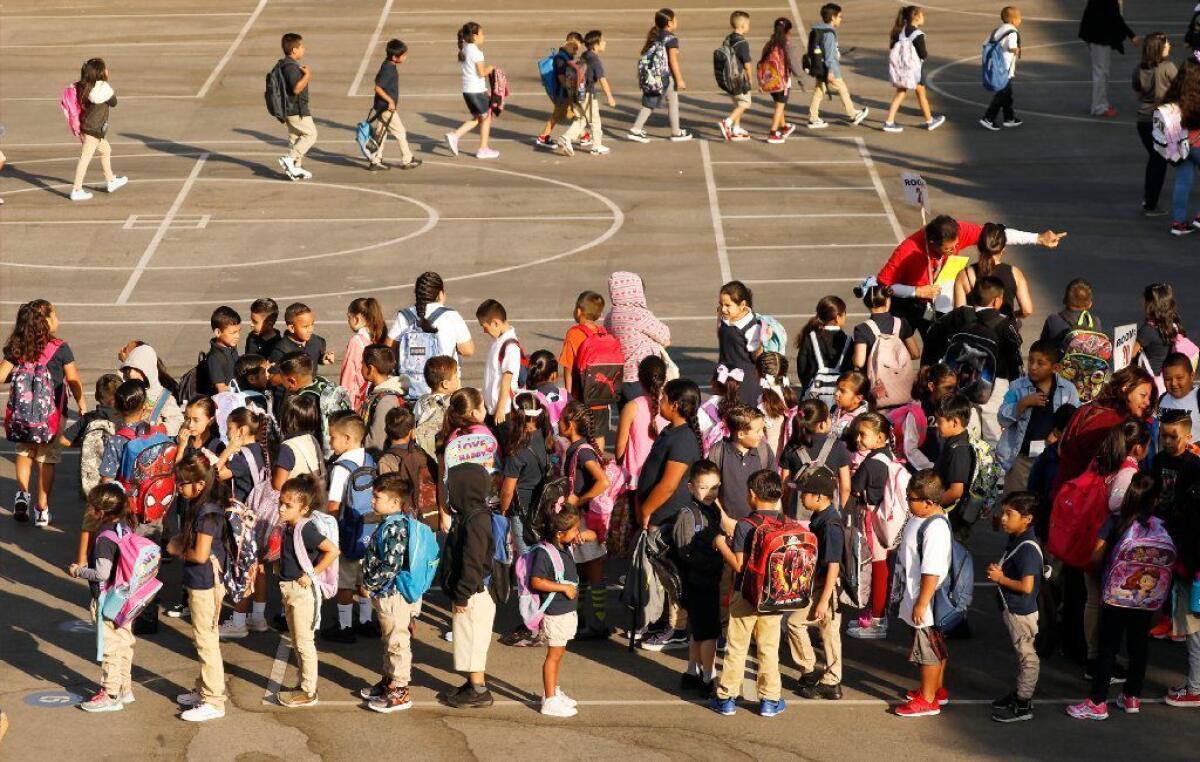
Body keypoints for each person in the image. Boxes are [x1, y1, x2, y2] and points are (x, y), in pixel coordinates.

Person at [1068, 473, 1163, 720]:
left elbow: (1098, 556)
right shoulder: (1159, 526)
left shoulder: (1116, 521)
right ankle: (1132, 695)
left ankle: (1098, 700)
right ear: (1156, 500)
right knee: (1138, 645)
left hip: (1118, 596)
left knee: (1108, 646)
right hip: (1146, 598)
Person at [877, 215, 1066, 336]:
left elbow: (995, 235)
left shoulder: (959, 230)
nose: (953, 250)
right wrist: (916, 291)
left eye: (956, 245)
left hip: (938, 302)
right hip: (908, 303)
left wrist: (1037, 238)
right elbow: (884, 286)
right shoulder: (907, 250)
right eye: (947, 248)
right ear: (932, 242)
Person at [710, 469, 788, 718]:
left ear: (752, 495)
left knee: (736, 646)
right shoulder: (784, 522)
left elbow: (739, 565)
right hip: (773, 598)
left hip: (745, 595)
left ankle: (727, 698)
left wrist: (721, 544)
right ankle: (770, 699)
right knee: (768, 647)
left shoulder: (745, 525)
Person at [1, 299, 85, 526]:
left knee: (24, 452)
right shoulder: (60, 348)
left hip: (23, 414)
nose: (57, 319)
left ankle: (21, 494)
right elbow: (74, 379)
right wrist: (83, 405)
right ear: (44, 321)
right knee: (47, 459)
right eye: (54, 315)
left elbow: (1, 376)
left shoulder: (17, 347)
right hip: (52, 415)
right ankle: (42, 507)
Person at [168, 454, 235, 722]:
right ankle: (203, 689)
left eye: (182, 483)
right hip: (203, 582)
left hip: (205, 584)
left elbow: (200, 554)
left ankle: (214, 700)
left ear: (198, 484)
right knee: (204, 637)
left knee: (206, 641)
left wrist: (175, 548)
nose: (178, 488)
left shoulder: (206, 513)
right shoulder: (204, 505)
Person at [69, 483, 138, 712]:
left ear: (100, 511)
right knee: (125, 642)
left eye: (91, 505)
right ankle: (125, 688)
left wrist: (78, 571)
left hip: (108, 599)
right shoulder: (125, 527)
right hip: (127, 595)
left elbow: (101, 573)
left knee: (110, 646)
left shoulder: (104, 538)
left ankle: (109, 693)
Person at [275, 474, 340, 708]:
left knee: (304, 643)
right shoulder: (290, 526)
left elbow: (332, 551)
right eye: (280, 503)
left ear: (304, 508)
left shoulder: (305, 529)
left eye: (288, 505)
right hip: (290, 590)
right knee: (297, 640)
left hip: (302, 592)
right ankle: (303, 685)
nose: (281, 509)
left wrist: (311, 574)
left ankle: (309, 691)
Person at [358, 472, 419, 713]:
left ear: (395, 502)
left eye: (377, 497)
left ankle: (401, 689)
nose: (373, 501)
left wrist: (369, 583)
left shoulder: (394, 528)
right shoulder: (389, 523)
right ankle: (389, 680)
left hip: (393, 594)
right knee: (388, 638)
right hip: (386, 594)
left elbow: (391, 565)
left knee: (397, 641)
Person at [438, 462, 497, 709]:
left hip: (473, 593)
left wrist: (461, 595)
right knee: (466, 639)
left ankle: (478, 689)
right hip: (469, 590)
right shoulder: (471, 514)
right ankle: (472, 683)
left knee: (472, 640)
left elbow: (472, 562)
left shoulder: (476, 521)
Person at [894, 470, 952, 717]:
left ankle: (928, 700)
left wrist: (921, 603)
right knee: (935, 645)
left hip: (925, 599)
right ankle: (935, 689)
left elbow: (932, 570)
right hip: (917, 594)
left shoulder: (935, 528)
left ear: (929, 502)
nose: (908, 502)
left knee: (926, 648)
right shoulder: (923, 518)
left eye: (911, 498)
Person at [787, 469, 844, 700]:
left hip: (826, 588)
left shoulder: (830, 525)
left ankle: (817, 674)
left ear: (820, 496)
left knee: (802, 625)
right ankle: (829, 679)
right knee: (828, 633)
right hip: (820, 586)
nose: (801, 497)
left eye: (805, 493)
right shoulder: (821, 517)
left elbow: (834, 564)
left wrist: (823, 600)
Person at [986, 491, 1043, 722]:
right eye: (1003, 513)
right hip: (1013, 609)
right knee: (1022, 654)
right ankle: (1019, 693)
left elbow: (1027, 586)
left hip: (1020, 611)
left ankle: (1023, 703)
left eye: (1009, 514)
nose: (1003, 518)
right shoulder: (1017, 539)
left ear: (1027, 518)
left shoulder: (1027, 548)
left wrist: (1001, 579)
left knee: (1027, 658)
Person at [558, 401, 612, 640]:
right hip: (581, 519)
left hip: (586, 520)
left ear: (570, 424)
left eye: (561, 419)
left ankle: (596, 624)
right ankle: (583, 622)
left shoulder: (583, 452)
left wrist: (578, 500)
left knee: (592, 572)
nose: (557, 422)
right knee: (582, 572)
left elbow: (603, 481)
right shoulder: (577, 448)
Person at [997, 340, 1080, 493]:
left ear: (1055, 368)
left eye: (1041, 363)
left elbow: (1075, 421)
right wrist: (1022, 404)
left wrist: (1058, 434)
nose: (1033, 367)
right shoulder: (1017, 387)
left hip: (1051, 459)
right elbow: (1002, 417)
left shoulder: (1068, 390)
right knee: (1015, 502)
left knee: (1042, 502)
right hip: (1021, 459)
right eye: (1031, 361)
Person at [847, 411, 901, 640]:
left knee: (877, 569)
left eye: (863, 434)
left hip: (871, 518)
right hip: (885, 517)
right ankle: (875, 614)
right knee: (881, 568)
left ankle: (876, 621)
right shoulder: (888, 456)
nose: (858, 439)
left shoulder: (870, 464)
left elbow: (855, 489)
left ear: (880, 438)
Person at [675, 460, 726, 696]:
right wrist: (712, 561)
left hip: (705, 579)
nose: (710, 493)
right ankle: (708, 677)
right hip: (698, 580)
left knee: (699, 630)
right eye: (704, 487)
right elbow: (683, 550)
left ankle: (692, 671)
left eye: (714, 487)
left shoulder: (713, 510)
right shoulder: (688, 514)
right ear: (690, 487)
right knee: (709, 633)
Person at [323, 415, 376, 643]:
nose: (329, 440)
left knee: (345, 582)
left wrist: (332, 536)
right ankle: (366, 620)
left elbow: (334, 505)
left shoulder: (342, 467)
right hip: (370, 528)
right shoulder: (369, 459)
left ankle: (345, 626)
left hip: (348, 531)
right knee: (364, 579)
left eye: (333, 437)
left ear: (347, 438)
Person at [531, 508, 584, 718]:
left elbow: (590, 536)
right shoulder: (545, 553)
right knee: (553, 656)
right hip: (556, 612)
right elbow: (536, 581)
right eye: (574, 530)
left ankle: (552, 690)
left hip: (565, 611)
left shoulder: (563, 545)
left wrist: (583, 535)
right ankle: (550, 700)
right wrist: (562, 588)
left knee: (558, 653)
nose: (577, 533)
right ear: (559, 534)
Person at [387, 271, 475, 393]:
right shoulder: (451, 316)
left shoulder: (405, 316)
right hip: (443, 388)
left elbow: (388, 348)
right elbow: (468, 350)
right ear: (441, 294)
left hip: (410, 388)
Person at [638, 378, 704, 529]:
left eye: (663, 398)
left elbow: (668, 485)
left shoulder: (683, 439)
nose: (660, 401)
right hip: (653, 514)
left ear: (674, 405)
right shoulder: (671, 430)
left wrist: (645, 510)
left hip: (663, 519)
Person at [605, 271, 671, 403]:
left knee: (627, 417)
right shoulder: (638, 315)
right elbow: (665, 336)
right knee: (644, 415)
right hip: (640, 377)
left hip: (620, 378)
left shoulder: (610, 317)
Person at [628, 8, 693, 143]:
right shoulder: (671, 39)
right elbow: (673, 61)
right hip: (664, 76)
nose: (677, 21)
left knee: (670, 101)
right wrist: (679, 79)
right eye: (675, 19)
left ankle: (676, 131)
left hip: (655, 75)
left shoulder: (656, 35)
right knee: (651, 104)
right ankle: (636, 129)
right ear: (669, 23)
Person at [559, 290, 613, 449]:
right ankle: (600, 463)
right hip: (601, 396)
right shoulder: (603, 333)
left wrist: (569, 396)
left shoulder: (574, 333)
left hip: (581, 395)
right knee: (599, 434)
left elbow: (568, 367)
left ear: (578, 311)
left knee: (578, 434)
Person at [779, 399, 852, 517]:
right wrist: (840, 511)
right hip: (828, 515)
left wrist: (787, 510)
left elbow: (785, 483)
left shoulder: (792, 446)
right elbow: (846, 487)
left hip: (798, 514)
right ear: (822, 424)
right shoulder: (837, 446)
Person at [69, 58, 127, 201]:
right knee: (85, 158)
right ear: (101, 73)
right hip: (92, 131)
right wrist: (106, 84)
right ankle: (76, 189)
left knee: (106, 150)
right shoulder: (103, 89)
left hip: (88, 127)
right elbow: (114, 102)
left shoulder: (86, 87)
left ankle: (111, 180)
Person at [951, 223, 1034, 319]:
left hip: (976, 331)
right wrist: (1011, 317)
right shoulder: (1015, 273)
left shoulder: (964, 275)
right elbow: (1027, 310)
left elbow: (958, 314)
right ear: (1003, 248)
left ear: (979, 246)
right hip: (1004, 331)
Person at [1133, 33, 1176, 216]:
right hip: (1162, 119)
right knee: (1161, 162)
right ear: (1159, 47)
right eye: (1166, 43)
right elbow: (1180, 88)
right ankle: (1151, 204)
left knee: (1154, 159)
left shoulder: (1139, 68)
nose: (1169, 44)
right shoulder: (1168, 67)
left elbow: (1137, 92)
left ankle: (1149, 200)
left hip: (1143, 120)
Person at [882, 6, 945, 133]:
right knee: (921, 94)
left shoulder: (900, 31)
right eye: (922, 15)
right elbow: (923, 54)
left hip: (901, 69)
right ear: (915, 17)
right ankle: (930, 121)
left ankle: (889, 121)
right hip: (914, 70)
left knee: (900, 93)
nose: (923, 17)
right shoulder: (918, 34)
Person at [807, 3, 868, 130]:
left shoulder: (818, 29)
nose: (841, 19)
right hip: (830, 68)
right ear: (833, 17)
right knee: (842, 89)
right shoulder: (829, 33)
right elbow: (829, 54)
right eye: (839, 16)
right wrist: (830, 71)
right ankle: (852, 114)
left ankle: (813, 117)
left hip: (819, 66)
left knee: (819, 91)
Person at [615, 355, 668, 495]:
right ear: (664, 377)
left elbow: (620, 446)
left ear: (639, 377)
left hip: (635, 476)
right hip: (662, 473)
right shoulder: (670, 405)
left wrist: (620, 468)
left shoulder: (631, 407)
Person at [445, 22, 498, 160]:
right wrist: (491, 68)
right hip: (476, 91)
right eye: (482, 33)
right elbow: (481, 73)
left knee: (479, 118)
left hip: (468, 90)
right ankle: (482, 149)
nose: (483, 36)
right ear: (475, 36)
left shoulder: (465, 48)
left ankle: (455, 136)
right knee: (486, 118)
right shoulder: (477, 53)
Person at [1078, 0, 1140, 117]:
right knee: (1101, 71)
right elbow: (1115, 16)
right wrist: (1132, 35)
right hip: (1099, 34)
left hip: (1095, 32)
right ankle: (1099, 107)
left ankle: (1101, 103)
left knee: (1101, 70)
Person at [368, 39, 421, 171]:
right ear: (394, 57)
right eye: (403, 55)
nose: (405, 57)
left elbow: (377, 80)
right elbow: (378, 87)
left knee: (381, 134)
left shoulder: (387, 65)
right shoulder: (388, 69)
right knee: (400, 132)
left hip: (381, 107)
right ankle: (407, 160)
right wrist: (390, 101)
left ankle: (375, 160)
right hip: (386, 108)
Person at [850, 279, 920, 372]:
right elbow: (915, 354)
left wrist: (853, 357)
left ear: (866, 303)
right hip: (899, 380)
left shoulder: (862, 329)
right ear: (887, 300)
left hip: (874, 382)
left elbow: (859, 362)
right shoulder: (902, 323)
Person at [534, 32, 585, 150]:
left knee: (573, 113)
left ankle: (583, 135)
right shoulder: (561, 58)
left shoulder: (566, 56)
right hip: (563, 93)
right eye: (576, 46)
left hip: (565, 92)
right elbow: (561, 77)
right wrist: (571, 90)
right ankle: (543, 137)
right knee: (558, 115)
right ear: (570, 41)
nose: (577, 50)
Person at [716, 281, 763, 407]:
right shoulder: (724, 318)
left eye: (727, 305)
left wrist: (762, 342)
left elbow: (757, 357)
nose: (723, 309)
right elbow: (722, 337)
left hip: (745, 382)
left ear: (742, 305)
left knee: (742, 413)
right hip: (725, 375)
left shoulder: (752, 328)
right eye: (721, 304)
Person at [120, 343, 183, 435]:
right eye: (129, 369)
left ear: (148, 370)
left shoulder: (163, 396)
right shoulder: (126, 392)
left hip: (153, 444)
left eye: (137, 370)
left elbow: (177, 420)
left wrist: (162, 429)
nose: (131, 374)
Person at [277, 33, 316, 180]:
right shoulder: (291, 67)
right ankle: (290, 159)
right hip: (297, 110)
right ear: (294, 50)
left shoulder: (285, 64)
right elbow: (296, 89)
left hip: (290, 110)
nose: (303, 49)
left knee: (295, 138)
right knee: (311, 134)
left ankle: (296, 168)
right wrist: (307, 75)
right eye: (301, 47)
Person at [796, 295, 850, 402]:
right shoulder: (848, 340)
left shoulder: (810, 337)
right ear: (838, 317)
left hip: (815, 393)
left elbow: (802, 367)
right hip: (839, 396)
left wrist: (808, 385)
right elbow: (850, 370)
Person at [476, 299, 521, 425]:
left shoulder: (510, 346)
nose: (484, 331)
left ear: (495, 323)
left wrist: (501, 409)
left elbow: (507, 378)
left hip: (503, 412)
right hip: (493, 409)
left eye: (485, 327)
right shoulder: (499, 341)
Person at [340, 297, 387, 412]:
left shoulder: (356, 341)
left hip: (357, 400)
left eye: (349, 317)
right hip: (373, 395)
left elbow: (349, 375)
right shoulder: (377, 338)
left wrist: (343, 403)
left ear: (357, 319)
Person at [980, 7, 1023, 131]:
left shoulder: (997, 30)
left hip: (996, 66)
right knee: (1002, 94)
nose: (1020, 20)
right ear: (1014, 20)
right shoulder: (1012, 32)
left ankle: (1009, 118)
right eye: (1019, 17)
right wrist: (1017, 50)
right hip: (1004, 68)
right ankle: (988, 118)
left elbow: (985, 43)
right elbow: (1011, 47)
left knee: (1007, 95)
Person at [1135, 283, 1191, 376]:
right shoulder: (1173, 326)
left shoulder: (1147, 331)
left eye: (1144, 300)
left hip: (1149, 380)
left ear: (1150, 304)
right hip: (1165, 378)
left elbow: (1128, 356)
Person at [717, 10, 755, 141]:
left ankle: (736, 128)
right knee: (745, 102)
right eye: (748, 24)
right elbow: (747, 64)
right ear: (742, 25)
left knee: (737, 104)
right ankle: (727, 123)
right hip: (738, 78)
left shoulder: (728, 39)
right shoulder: (742, 43)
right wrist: (750, 78)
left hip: (727, 77)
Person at [361, 344, 407, 453]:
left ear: (371, 369)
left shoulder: (386, 400)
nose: (360, 367)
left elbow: (376, 443)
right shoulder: (377, 392)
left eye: (362, 363)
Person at [759, 17, 797, 144]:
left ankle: (784, 127)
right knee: (780, 107)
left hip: (771, 81)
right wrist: (802, 78)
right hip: (783, 82)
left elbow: (762, 62)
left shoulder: (769, 44)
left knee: (778, 105)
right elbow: (793, 64)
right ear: (787, 32)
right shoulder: (786, 45)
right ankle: (773, 133)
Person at [755, 352, 798, 456]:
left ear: (760, 373)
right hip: (788, 458)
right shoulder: (788, 395)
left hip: (771, 458)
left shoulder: (765, 402)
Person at [269, 302, 332, 371]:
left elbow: (316, 357)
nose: (311, 329)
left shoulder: (315, 341)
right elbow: (272, 376)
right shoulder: (281, 350)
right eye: (305, 327)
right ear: (292, 328)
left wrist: (323, 359)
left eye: (312, 324)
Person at [1040, 278, 1102, 346]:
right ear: (1090, 304)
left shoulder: (1053, 320)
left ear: (1064, 299)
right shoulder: (1095, 322)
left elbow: (1042, 349)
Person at [1158, 351, 1200, 432]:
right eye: (1167, 379)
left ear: (1191, 376)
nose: (1173, 383)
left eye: (1179, 378)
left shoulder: (1198, 397)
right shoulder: (1162, 399)